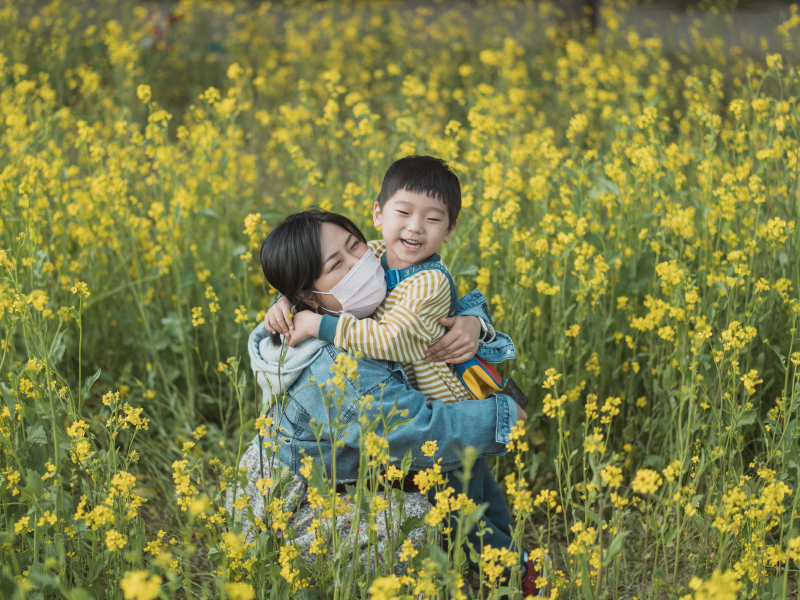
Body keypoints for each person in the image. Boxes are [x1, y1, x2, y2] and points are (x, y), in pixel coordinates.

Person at [251, 209, 542, 592]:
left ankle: (501, 550)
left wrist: (471, 320)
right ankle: (503, 569)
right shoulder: (336, 367)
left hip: (353, 471)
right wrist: (500, 416)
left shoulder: (338, 301)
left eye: (355, 245)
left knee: (465, 472)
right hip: (299, 511)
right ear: (306, 296)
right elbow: (418, 432)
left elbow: (428, 294)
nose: (360, 265)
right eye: (338, 263)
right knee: (433, 499)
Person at [265, 155, 515, 405]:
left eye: (433, 219)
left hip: (444, 405)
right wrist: (286, 300)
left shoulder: (429, 283)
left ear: (449, 230)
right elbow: (315, 278)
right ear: (378, 214)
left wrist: (317, 325)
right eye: (404, 212)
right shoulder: (373, 251)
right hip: (399, 395)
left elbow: (389, 340)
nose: (415, 227)